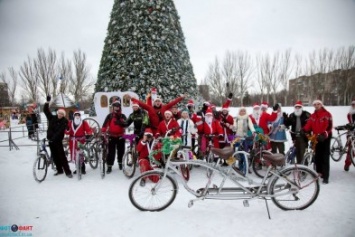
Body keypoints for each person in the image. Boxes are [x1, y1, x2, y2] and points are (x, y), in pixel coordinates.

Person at [303, 99, 333, 184]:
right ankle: (319, 172)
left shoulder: (327, 114)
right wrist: (304, 130)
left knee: (325, 157)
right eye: (315, 104)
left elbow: (329, 126)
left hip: (325, 137)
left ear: (321, 105)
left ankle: (326, 176)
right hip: (316, 137)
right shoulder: (313, 116)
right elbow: (308, 125)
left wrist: (324, 134)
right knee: (317, 156)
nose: (316, 106)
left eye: (318, 104)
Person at [43, 95, 72, 178]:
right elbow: (46, 111)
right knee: (55, 157)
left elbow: (60, 131)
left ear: (63, 115)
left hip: (57, 141)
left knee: (62, 156)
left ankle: (68, 172)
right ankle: (59, 170)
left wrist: (53, 138)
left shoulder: (64, 121)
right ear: (57, 113)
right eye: (59, 113)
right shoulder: (52, 118)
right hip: (51, 141)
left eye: (61, 114)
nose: (60, 115)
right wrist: (47, 102)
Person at [101, 99, 127, 173]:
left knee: (121, 151)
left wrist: (120, 122)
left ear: (119, 107)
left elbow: (126, 124)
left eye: (118, 106)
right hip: (112, 136)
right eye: (115, 106)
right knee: (111, 152)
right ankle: (109, 166)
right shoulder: (109, 116)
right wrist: (103, 132)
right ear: (113, 107)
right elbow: (105, 124)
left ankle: (120, 163)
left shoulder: (123, 116)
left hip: (121, 136)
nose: (116, 107)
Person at [344, 99, 355, 171]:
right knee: (350, 149)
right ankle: (347, 163)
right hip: (351, 132)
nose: (354, 106)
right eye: (353, 104)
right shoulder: (349, 114)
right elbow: (350, 123)